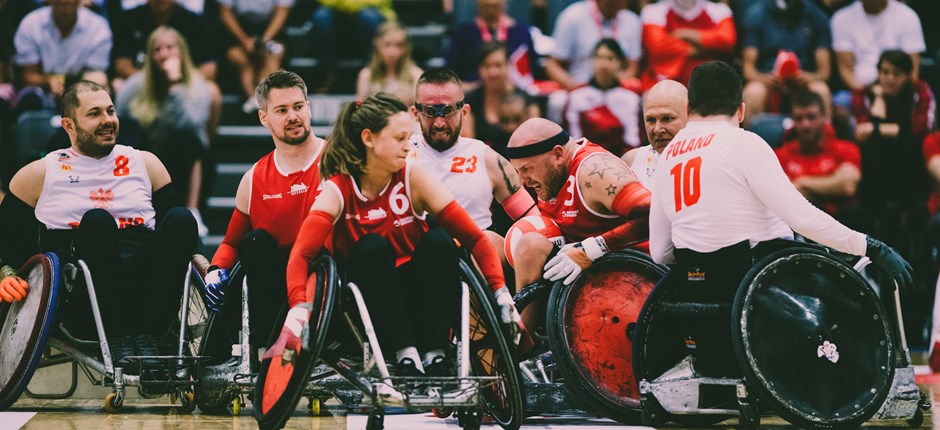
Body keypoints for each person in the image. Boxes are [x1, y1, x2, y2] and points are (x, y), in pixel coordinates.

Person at [266, 93, 520, 377]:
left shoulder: (414, 177)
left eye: (409, 138)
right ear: (369, 138)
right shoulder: (338, 189)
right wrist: (299, 307)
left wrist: (500, 292)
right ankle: (404, 352)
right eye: (400, 139)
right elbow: (301, 255)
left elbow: (475, 238)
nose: (408, 146)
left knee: (441, 242)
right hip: (363, 312)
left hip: (420, 303)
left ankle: (434, 352)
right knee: (373, 247)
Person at [648, 60, 911, 317]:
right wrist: (871, 247)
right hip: (765, 288)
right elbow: (802, 218)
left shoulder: (667, 156)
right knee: (851, 302)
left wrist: (703, 262)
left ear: (688, 106)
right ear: (740, 111)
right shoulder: (742, 142)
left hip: (698, 294)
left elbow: (659, 251)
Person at [0, 80, 198, 375]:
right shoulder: (39, 173)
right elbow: (6, 240)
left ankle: (149, 335)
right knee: (98, 220)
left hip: (145, 290)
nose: (108, 120)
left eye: (111, 111)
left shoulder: (146, 163)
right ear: (68, 125)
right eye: (94, 114)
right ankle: (117, 334)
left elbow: (176, 239)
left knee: (183, 218)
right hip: (82, 294)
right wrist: (5, 272)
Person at [198, 70, 325, 365]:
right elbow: (231, 243)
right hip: (272, 285)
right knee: (254, 242)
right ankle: (267, 354)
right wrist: (217, 268)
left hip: (323, 279)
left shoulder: (337, 160)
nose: (293, 116)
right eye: (281, 110)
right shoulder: (254, 179)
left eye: (298, 107)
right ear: (264, 118)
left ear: (309, 107)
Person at [506, 118, 651, 294]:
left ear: (558, 155)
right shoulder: (550, 174)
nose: (522, 181)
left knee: (531, 245)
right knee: (491, 241)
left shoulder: (593, 170)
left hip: (629, 276)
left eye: (527, 169)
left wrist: (589, 250)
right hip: (577, 274)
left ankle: (520, 323)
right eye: (518, 171)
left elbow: (652, 215)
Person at [409, 67, 538, 266]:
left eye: (448, 110)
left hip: (474, 258)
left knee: (493, 242)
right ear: (416, 113)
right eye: (430, 112)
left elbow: (532, 219)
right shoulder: (401, 155)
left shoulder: (486, 159)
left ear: (464, 112)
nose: (439, 123)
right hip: (417, 256)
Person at [115, 26, 216, 237]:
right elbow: (119, 120)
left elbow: (191, 124)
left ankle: (193, 210)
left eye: (170, 48)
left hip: (185, 157)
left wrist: (175, 85)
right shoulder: (136, 85)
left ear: (181, 52)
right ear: (149, 55)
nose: (163, 54)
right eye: (157, 49)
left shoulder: (196, 84)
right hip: (147, 153)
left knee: (188, 140)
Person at [851, 50, 934, 254]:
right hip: (880, 159)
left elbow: (921, 129)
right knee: (873, 149)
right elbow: (862, 131)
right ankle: (876, 220)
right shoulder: (866, 92)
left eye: (896, 73)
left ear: (907, 75)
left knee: (908, 149)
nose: (889, 78)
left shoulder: (920, 91)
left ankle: (906, 218)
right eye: (884, 72)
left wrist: (878, 129)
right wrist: (879, 98)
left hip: (910, 156)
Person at [740, 0, 833, 126]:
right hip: (768, 80)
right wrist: (765, 79)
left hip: (804, 80)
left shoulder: (817, 15)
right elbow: (748, 70)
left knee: (821, 90)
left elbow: (824, 72)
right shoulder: (756, 14)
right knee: (753, 92)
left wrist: (808, 77)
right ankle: (751, 142)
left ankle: (824, 143)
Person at [775, 90, 861, 225]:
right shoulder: (779, 156)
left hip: (842, 227)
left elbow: (846, 186)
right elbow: (779, 199)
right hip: (798, 230)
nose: (805, 125)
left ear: (824, 117)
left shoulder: (846, 149)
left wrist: (801, 184)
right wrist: (830, 187)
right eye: (799, 118)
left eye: (811, 117)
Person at [13, 0, 112, 114]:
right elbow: (28, 76)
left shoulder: (98, 26)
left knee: (98, 80)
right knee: (29, 96)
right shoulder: (30, 24)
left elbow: (94, 72)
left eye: (69, 4)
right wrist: (48, 81)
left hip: (82, 85)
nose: (65, 8)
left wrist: (73, 91)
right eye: (60, 3)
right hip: (42, 89)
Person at [110, 0, 218, 89]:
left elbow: (209, 69)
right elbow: (121, 66)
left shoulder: (195, 21)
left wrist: (177, 79)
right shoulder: (128, 19)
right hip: (142, 83)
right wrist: (155, 81)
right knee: (118, 84)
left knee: (212, 90)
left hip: (183, 83)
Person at [564, 38, 642, 157]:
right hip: (584, 159)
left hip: (621, 160)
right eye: (599, 58)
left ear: (620, 63)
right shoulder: (576, 97)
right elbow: (573, 142)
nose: (604, 64)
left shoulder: (631, 99)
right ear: (592, 61)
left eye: (610, 58)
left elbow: (633, 141)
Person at [831, 0, 925, 94]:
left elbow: (913, 69)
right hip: (859, 91)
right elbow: (846, 70)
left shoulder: (908, 17)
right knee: (841, 100)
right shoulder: (841, 18)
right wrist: (868, 95)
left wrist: (892, 95)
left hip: (899, 93)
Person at [545, 0, 642, 92]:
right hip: (578, 87)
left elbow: (632, 67)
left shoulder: (632, 21)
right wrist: (572, 86)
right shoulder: (572, 16)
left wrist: (612, 85)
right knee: (557, 101)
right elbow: (552, 64)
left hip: (617, 89)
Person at [638, 0, 736, 90]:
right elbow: (657, 46)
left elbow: (727, 40)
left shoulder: (719, 10)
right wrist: (706, 48)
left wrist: (684, 33)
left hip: (711, 82)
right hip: (664, 82)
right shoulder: (653, 11)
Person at [464, 43, 540, 155]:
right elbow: (467, 146)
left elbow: (535, 144)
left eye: (498, 65)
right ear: (479, 69)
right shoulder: (470, 100)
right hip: (481, 164)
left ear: (508, 65)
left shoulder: (527, 100)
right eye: (486, 66)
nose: (492, 72)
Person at [218, 0, 293, 114]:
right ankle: (255, 99)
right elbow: (225, 12)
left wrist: (264, 40)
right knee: (238, 57)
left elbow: (282, 11)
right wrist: (243, 39)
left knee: (273, 55)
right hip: (237, 30)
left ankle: (260, 100)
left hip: (271, 29)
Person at [445, 0, 538, 89]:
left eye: (495, 5)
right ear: (477, 3)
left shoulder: (522, 32)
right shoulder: (463, 33)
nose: (491, 5)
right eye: (486, 6)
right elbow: (451, 75)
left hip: (514, 92)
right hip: (473, 93)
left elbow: (532, 72)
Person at [622, 79, 689, 188]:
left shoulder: (710, 159)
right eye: (651, 120)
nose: (657, 129)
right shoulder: (631, 162)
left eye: (667, 118)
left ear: (689, 114)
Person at [355, 22, 423, 106]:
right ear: (377, 45)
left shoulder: (415, 74)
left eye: (399, 45)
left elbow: (420, 113)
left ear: (406, 48)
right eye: (387, 45)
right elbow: (359, 111)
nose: (392, 52)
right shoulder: (366, 75)